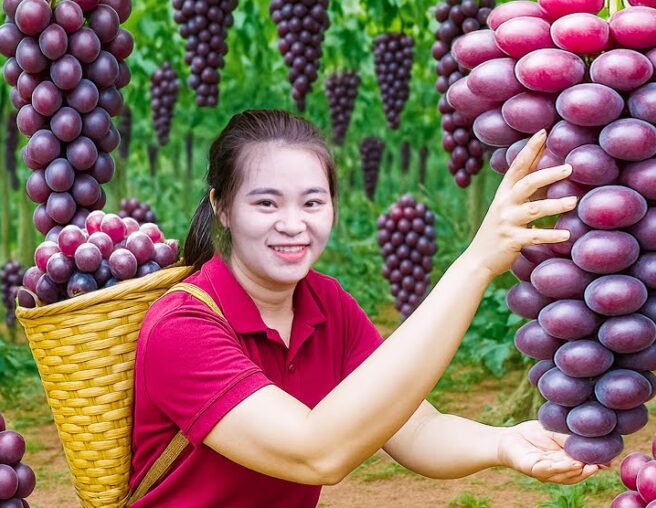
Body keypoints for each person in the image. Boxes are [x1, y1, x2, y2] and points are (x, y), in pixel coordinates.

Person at [129, 109, 598, 507]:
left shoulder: (325, 304)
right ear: (223, 208)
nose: (293, 225)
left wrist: (503, 442)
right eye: (267, 203)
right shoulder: (182, 327)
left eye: (312, 202)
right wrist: (476, 263)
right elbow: (315, 453)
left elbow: (417, 430)